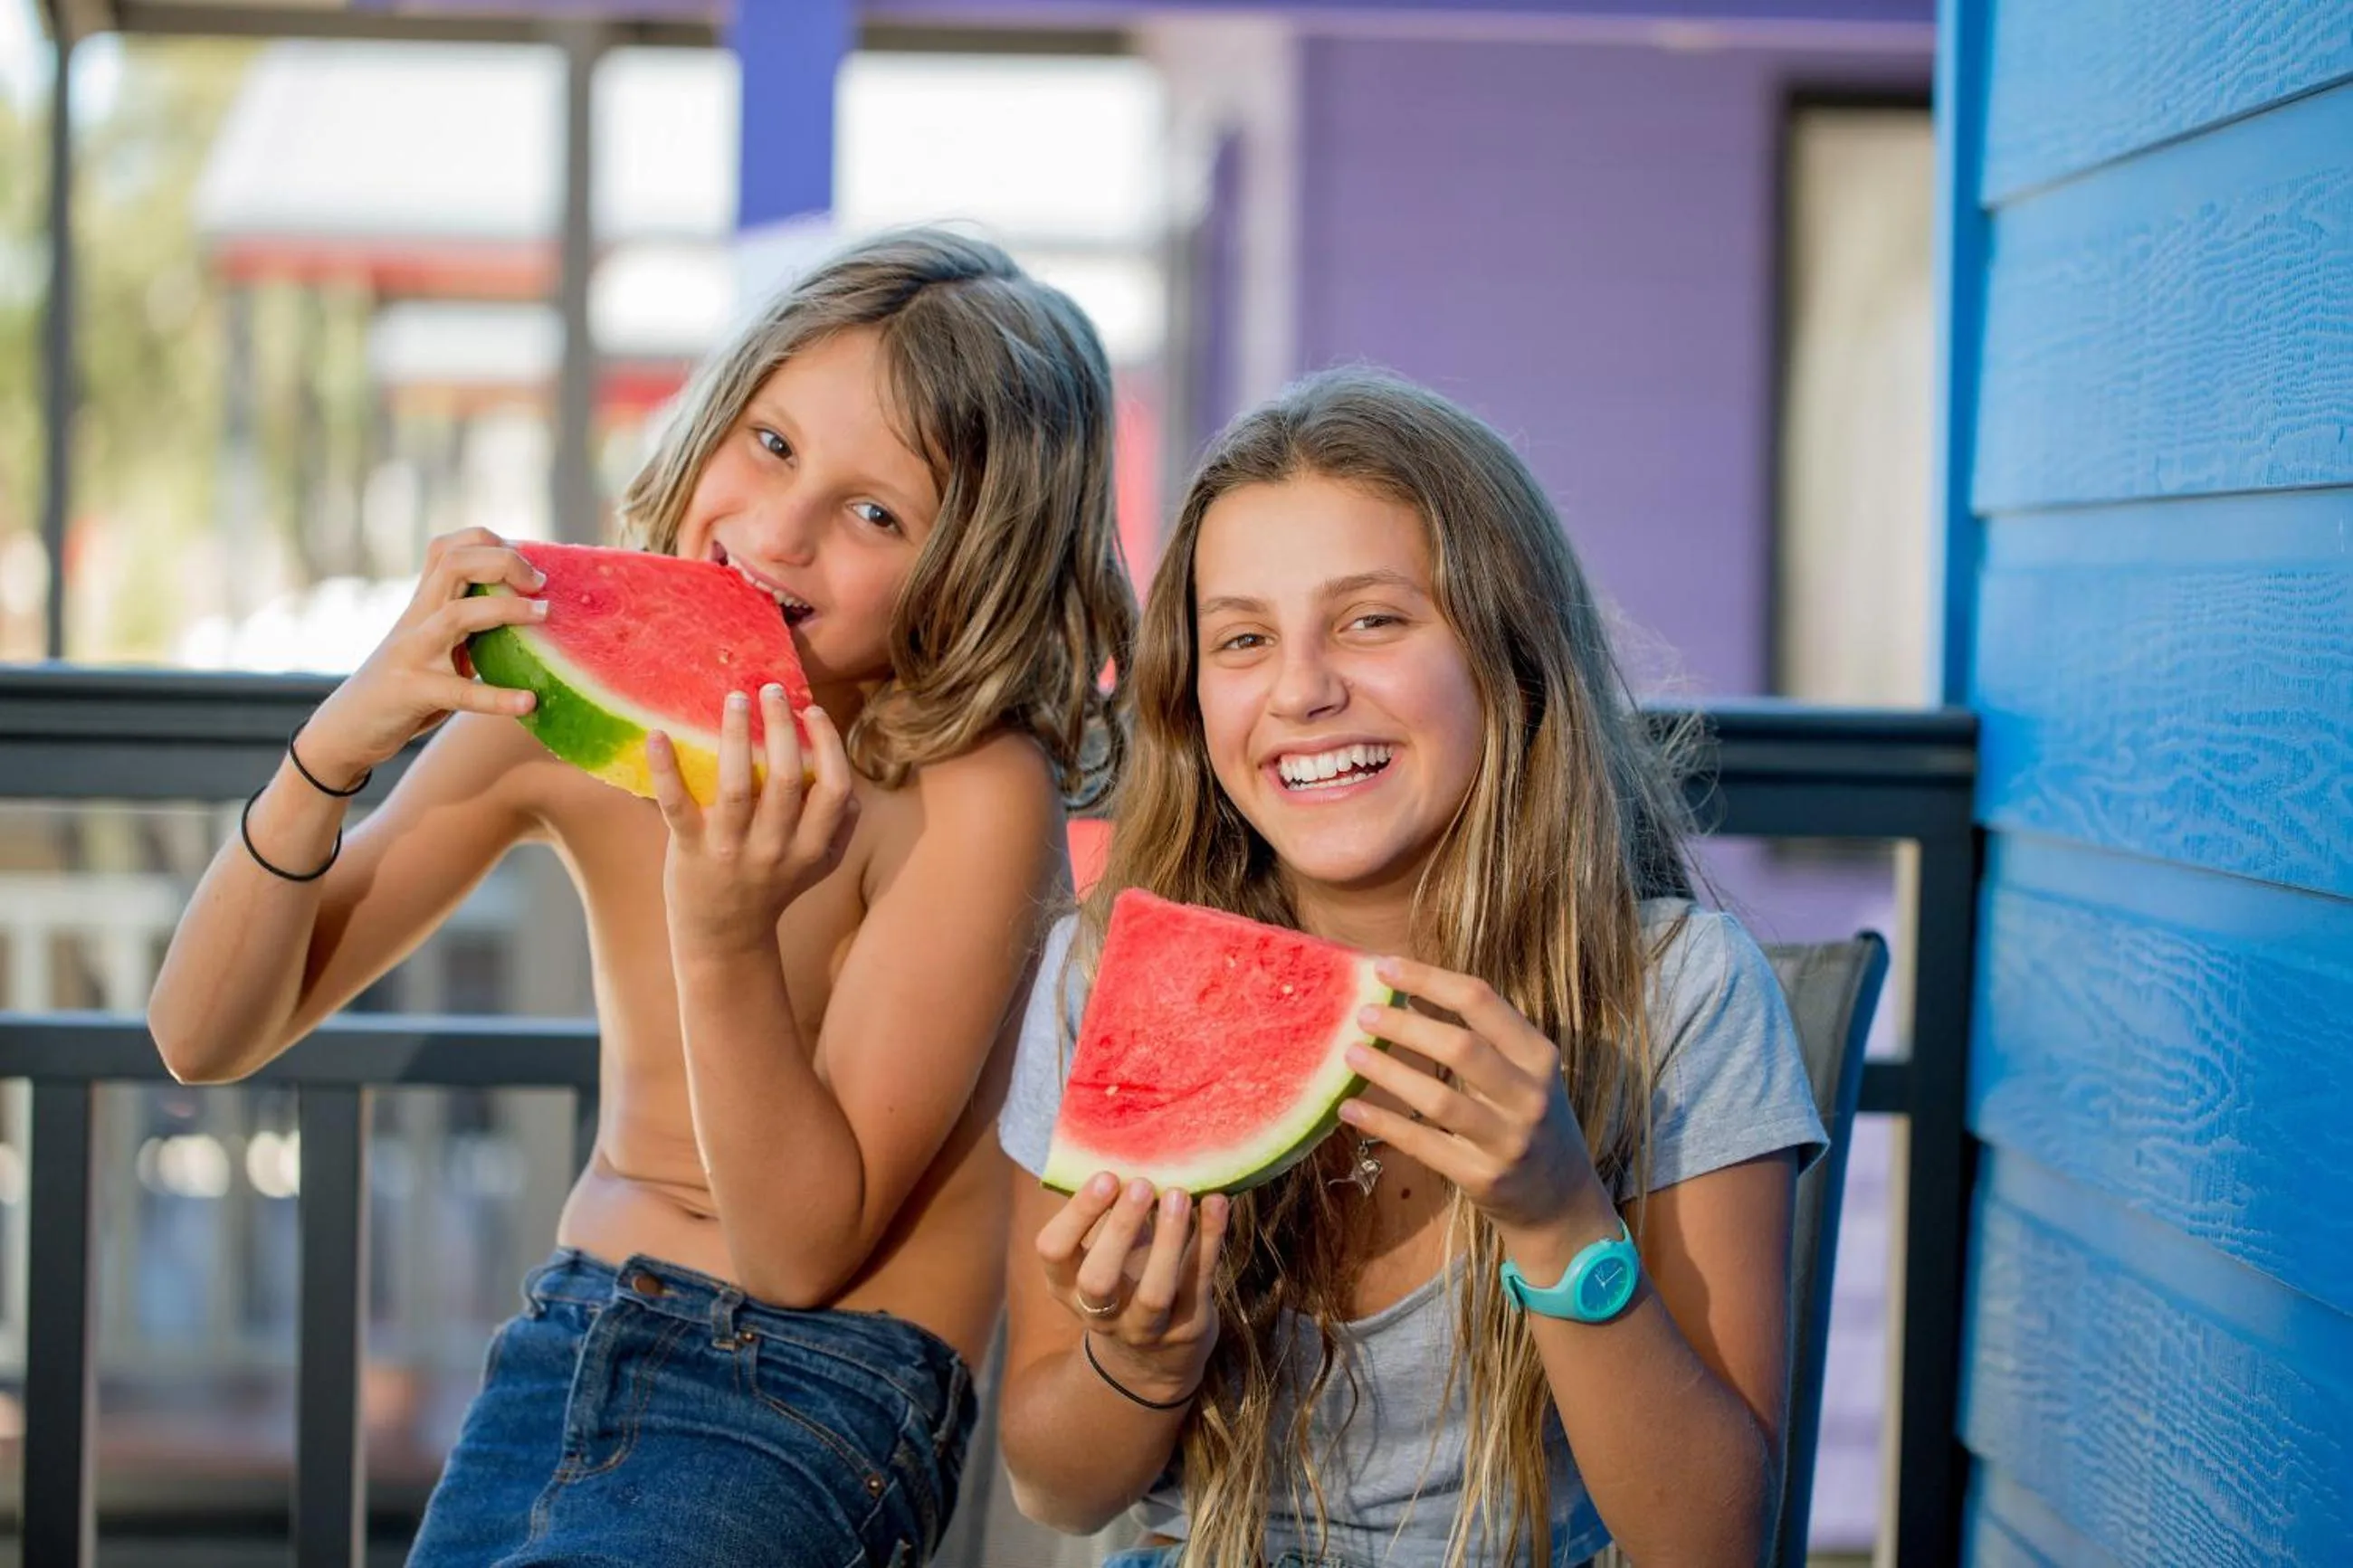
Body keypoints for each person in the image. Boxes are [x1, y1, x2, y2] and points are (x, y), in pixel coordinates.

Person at [148, 228, 1134, 1567]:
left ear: (979, 571)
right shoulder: (554, 711)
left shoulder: (972, 790)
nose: (777, 533)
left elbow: (799, 1249)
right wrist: (335, 748)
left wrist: (721, 928)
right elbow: (203, 1036)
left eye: (876, 513)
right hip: (562, 1342)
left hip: (810, 1391)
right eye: (773, 444)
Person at [995, 369, 1826, 1567]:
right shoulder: (1109, 975)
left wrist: (1555, 1218)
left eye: (1371, 620)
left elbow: (1711, 1545)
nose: (1302, 690)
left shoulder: (1680, 992)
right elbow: (1056, 1488)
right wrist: (1138, 1356)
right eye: (1242, 639)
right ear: (1191, 697)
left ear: (1509, 650)